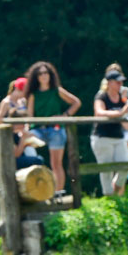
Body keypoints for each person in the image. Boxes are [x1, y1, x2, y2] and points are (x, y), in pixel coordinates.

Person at [25, 61, 81, 197]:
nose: (44, 76)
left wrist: (64, 115)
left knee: (56, 163)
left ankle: (58, 193)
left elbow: (76, 102)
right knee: (24, 144)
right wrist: (25, 131)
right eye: (40, 73)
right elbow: (29, 116)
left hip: (55, 129)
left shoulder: (57, 90)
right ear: (36, 77)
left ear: (50, 75)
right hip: (38, 130)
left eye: (46, 73)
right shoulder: (33, 94)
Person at [92, 67, 128, 196]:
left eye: (121, 82)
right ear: (109, 82)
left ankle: (114, 194)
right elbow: (99, 112)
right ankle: (109, 198)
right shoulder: (101, 96)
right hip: (102, 137)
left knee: (125, 166)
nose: (120, 85)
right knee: (106, 170)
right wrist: (120, 113)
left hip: (118, 137)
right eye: (118, 82)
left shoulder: (122, 96)